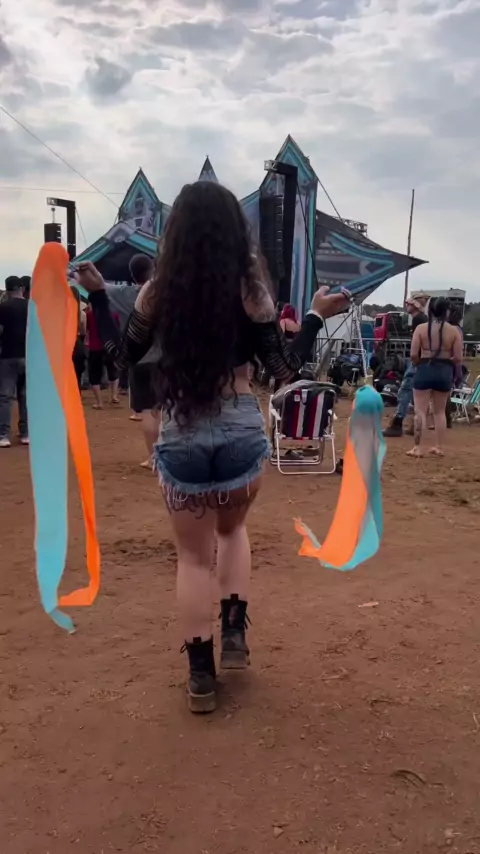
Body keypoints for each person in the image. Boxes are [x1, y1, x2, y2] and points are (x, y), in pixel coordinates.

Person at [75, 181, 351, 714]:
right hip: (239, 425)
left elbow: (119, 358)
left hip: (180, 429)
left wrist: (97, 295)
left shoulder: (157, 292)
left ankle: (200, 676)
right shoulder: (252, 291)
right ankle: (234, 637)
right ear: (233, 231)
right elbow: (284, 369)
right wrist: (315, 316)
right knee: (232, 532)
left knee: (193, 557)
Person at [407, 297, 463, 458]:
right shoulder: (453, 331)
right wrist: (446, 362)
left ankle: (417, 448)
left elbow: (413, 354)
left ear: (430, 310)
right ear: (446, 311)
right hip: (444, 371)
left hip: (424, 368)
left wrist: (420, 363)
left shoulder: (421, 329)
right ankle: (439, 447)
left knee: (420, 411)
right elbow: (458, 358)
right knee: (439, 412)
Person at [127, 254, 161, 468]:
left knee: (148, 410)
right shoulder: (166, 293)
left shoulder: (125, 294)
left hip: (139, 360)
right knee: (167, 408)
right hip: (166, 358)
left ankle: (154, 457)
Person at [383, 295, 429, 437]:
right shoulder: (423, 319)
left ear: (415, 305)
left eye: (409, 303)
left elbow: (418, 342)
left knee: (405, 389)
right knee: (418, 394)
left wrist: (415, 360)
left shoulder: (418, 319)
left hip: (418, 361)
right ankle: (416, 425)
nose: (406, 305)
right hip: (424, 361)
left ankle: (397, 423)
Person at [0, 276, 29, 448]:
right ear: (22, 289)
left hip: (7, 356)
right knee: (25, 396)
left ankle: (3, 435)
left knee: (5, 396)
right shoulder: (32, 307)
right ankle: (25, 433)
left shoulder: (3, 307)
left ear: (7, 290)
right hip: (28, 356)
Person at [85, 305, 120, 409]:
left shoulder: (89, 315)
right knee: (113, 370)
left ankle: (99, 403)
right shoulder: (114, 315)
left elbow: (87, 329)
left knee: (94, 375)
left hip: (95, 348)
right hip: (109, 346)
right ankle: (114, 396)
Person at [71, 286, 87, 391]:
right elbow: (83, 332)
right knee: (77, 376)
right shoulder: (82, 314)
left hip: (64, 346)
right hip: (77, 344)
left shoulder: (60, 312)